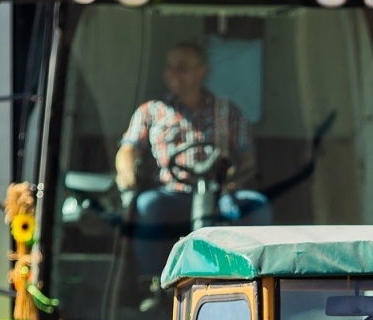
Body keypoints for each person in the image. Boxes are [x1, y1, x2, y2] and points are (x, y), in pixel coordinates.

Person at [116, 42, 271, 289]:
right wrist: (126, 171)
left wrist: (234, 181)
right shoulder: (152, 111)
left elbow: (248, 159)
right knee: (146, 205)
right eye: (170, 67)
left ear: (202, 71)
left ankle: (257, 283)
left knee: (256, 205)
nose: (174, 73)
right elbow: (128, 149)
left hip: (219, 194)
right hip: (170, 194)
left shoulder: (227, 111)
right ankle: (151, 286)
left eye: (183, 67)